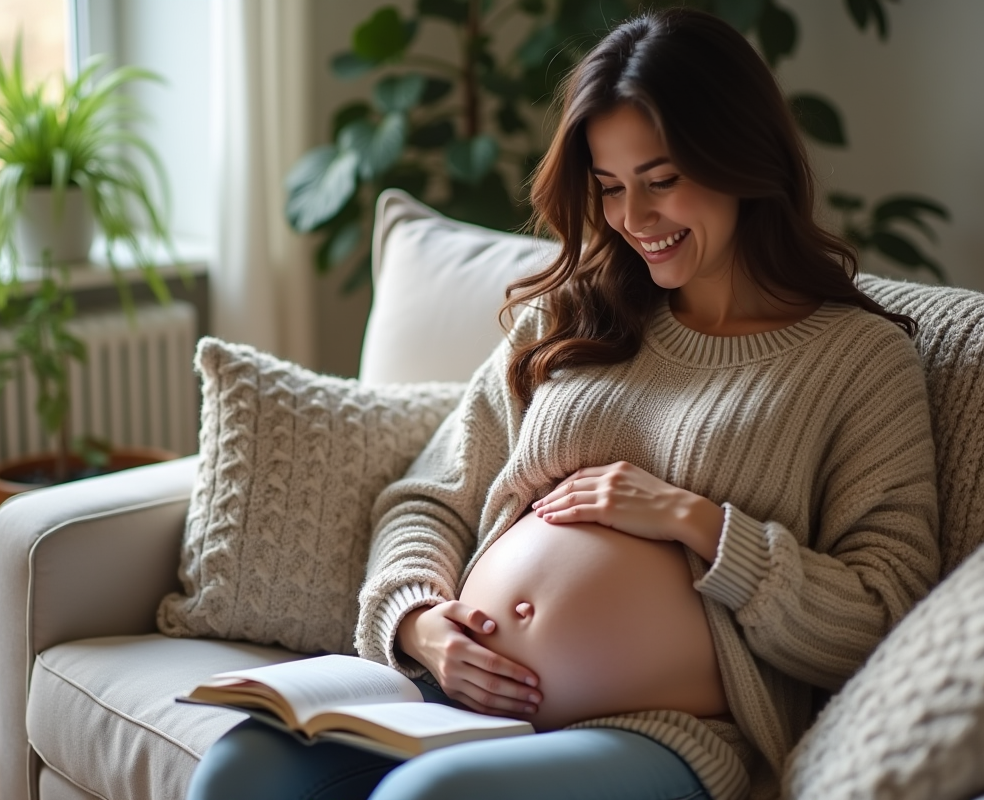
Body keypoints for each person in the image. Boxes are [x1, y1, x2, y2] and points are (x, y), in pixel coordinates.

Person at [186, 8, 939, 800]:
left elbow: (884, 617)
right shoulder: (573, 316)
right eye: (611, 188)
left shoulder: (859, 361)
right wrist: (418, 624)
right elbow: (428, 498)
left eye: (662, 180)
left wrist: (697, 522)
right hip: (452, 701)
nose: (634, 221)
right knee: (241, 769)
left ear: (744, 160)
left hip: (657, 732)